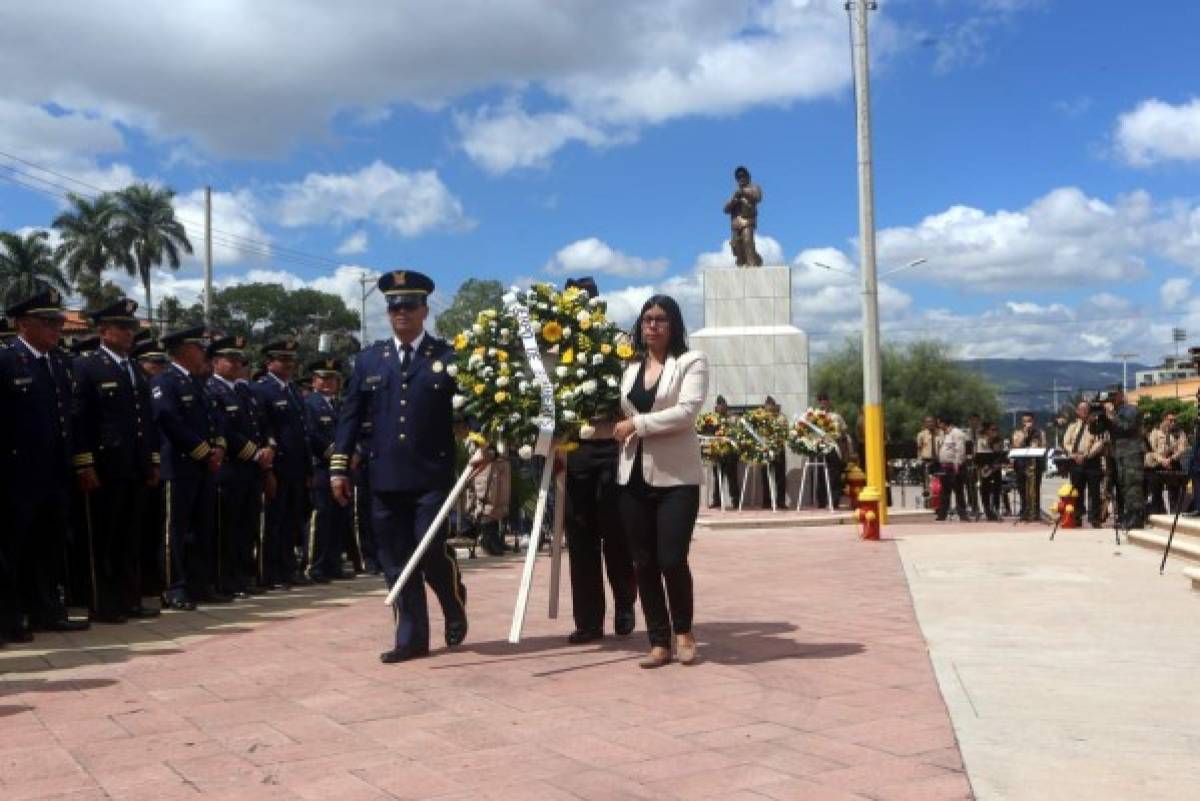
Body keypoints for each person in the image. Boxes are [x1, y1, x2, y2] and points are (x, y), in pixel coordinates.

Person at [330, 270, 468, 664]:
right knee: (395, 559)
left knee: (429, 551)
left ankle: (453, 600)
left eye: (409, 306)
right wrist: (339, 468)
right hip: (384, 476)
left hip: (432, 477)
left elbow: (471, 413)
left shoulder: (447, 358)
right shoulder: (368, 360)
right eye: (394, 306)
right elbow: (349, 419)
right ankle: (411, 638)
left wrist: (485, 443)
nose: (401, 313)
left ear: (425, 310)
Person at [614, 294, 709, 668]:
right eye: (647, 319)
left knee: (672, 558)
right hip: (632, 474)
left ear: (674, 325)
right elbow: (619, 412)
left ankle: (683, 631)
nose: (652, 325)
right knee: (643, 561)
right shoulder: (629, 367)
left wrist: (636, 425)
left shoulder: (690, 361)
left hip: (676, 478)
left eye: (660, 319)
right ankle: (658, 640)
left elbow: (686, 413)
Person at [0, 288, 89, 644]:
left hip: (55, 472)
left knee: (50, 545)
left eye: (58, 322)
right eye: (48, 322)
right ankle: (12, 616)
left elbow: (70, 418)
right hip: (16, 474)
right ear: (23, 325)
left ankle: (48, 610)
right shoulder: (6, 360)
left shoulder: (61, 363)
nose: (57, 329)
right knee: (13, 549)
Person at [71, 299, 161, 623]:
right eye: (122, 328)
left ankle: (129, 599)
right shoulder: (87, 366)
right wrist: (84, 464)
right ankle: (103, 602)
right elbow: (79, 421)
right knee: (104, 537)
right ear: (103, 331)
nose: (129, 334)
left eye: (132, 328)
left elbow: (146, 421)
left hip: (134, 466)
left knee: (130, 536)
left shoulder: (134, 369)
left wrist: (151, 461)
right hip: (105, 466)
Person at [560, 276, 637, 645]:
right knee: (580, 539)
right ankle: (588, 621)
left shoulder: (618, 343)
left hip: (611, 448)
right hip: (574, 453)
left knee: (616, 536)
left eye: (584, 301)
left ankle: (625, 603)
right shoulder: (556, 344)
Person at [152, 326, 230, 610]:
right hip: (180, 466)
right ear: (184, 350)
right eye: (199, 347)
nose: (203, 353)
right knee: (175, 529)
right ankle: (174, 587)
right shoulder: (166, 381)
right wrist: (203, 451)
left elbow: (216, 419)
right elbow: (168, 419)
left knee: (203, 528)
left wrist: (219, 446)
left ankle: (200, 583)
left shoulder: (199, 383)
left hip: (205, 467)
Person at [206, 336, 274, 596]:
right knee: (228, 528)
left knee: (247, 526)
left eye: (239, 360)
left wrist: (269, 447)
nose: (236, 364)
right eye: (230, 359)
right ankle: (225, 579)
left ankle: (242, 576)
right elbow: (224, 429)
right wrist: (255, 453)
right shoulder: (212, 389)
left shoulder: (245, 391)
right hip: (231, 468)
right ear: (215, 362)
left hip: (252, 470)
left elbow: (262, 424)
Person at [252, 339, 311, 588]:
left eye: (291, 361)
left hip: (296, 468)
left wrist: (307, 469)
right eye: (282, 360)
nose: (288, 365)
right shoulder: (262, 389)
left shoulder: (293, 390)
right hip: (277, 467)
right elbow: (265, 430)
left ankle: (288, 569)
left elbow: (302, 432)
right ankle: (269, 572)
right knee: (273, 524)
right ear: (269, 362)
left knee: (291, 522)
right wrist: (268, 470)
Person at [305, 357, 352, 582]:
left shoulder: (341, 405)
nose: (328, 383)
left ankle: (333, 564)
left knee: (338, 518)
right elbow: (311, 435)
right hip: (322, 468)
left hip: (342, 469)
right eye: (323, 378)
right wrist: (337, 453)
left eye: (332, 379)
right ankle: (315, 565)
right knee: (321, 518)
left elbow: (352, 431)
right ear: (314, 380)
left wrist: (352, 452)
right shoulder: (309, 404)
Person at [1105, 386, 1144, 529]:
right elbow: (1096, 430)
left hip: (1132, 453)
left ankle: (1137, 516)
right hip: (1119, 454)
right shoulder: (1113, 412)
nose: (1111, 399)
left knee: (1133, 485)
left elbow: (1127, 427)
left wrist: (1111, 416)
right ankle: (1128, 514)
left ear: (1121, 395)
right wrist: (1097, 418)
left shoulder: (1131, 410)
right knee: (1124, 486)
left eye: (1114, 395)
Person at [1063, 401, 1107, 528]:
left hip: (1091, 460)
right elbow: (1066, 442)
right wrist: (1074, 454)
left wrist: (1086, 455)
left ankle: (1095, 518)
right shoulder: (1073, 426)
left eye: (1086, 409)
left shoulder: (1096, 426)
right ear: (1077, 411)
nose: (1084, 411)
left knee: (1094, 491)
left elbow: (1099, 443)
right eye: (1081, 409)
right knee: (1077, 491)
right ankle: (1077, 516)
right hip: (1076, 461)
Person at [1145, 411, 1188, 515]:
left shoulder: (1175, 434)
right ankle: (1158, 512)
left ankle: (1175, 512)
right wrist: (1162, 460)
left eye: (1174, 420)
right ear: (1164, 420)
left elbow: (1180, 451)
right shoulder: (1155, 433)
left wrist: (1173, 457)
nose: (1173, 423)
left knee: (1176, 488)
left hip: (1171, 464)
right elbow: (1151, 451)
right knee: (1156, 492)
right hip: (1157, 466)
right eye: (1170, 420)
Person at [723, 165, 763, 267]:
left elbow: (758, 197)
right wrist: (734, 201)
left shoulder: (754, 187)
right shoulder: (736, 193)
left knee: (747, 241)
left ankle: (752, 263)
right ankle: (746, 261)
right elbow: (726, 209)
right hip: (736, 224)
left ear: (747, 177)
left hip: (748, 221)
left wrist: (744, 192)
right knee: (736, 245)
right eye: (739, 177)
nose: (741, 179)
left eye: (743, 176)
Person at [815, 392, 849, 509]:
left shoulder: (836, 416)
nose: (823, 403)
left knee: (834, 475)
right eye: (821, 401)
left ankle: (834, 501)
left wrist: (845, 450)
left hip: (834, 448)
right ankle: (821, 501)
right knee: (821, 475)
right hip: (821, 447)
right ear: (818, 403)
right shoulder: (814, 416)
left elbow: (844, 432)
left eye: (825, 400)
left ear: (829, 402)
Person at [1011, 412, 1046, 522]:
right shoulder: (1018, 433)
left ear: (1033, 421)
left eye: (1029, 421)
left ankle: (1035, 511)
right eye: (1025, 421)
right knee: (1022, 488)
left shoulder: (1040, 432)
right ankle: (1024, 510)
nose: (1027, 423)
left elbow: (1043, 445)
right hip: (1021, 464)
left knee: (1035, 488)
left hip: (1035, 464)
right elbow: (1016, 445)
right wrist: (1025, 435)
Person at [935, 418, 970, 521]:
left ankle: (963, 514)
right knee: (945, 492)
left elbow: (960, 449)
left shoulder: (957, 433)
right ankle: (942, 515)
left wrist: (957, 463)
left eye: (939, 424)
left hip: (954, 466)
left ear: (944, 423)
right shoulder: (943, 434)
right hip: (944, 466)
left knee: (958, 491)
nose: (938, 426)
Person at [708, 395, 739, 508]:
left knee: (733, 478)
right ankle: (717, 501)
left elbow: (736, 433)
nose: (722, 408)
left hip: (730, 453)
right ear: (716, 408)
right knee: (717, 478)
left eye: (724, 406)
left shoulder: (732, 418)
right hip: (718, 452)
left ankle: (736, 500)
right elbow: (709, 433)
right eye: (720, 406)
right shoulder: (711, 419)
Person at [759, 396, 787, 509]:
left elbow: (785, 432)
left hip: (778, 450)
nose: (770, 409)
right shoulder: (761, 418)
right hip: (765, 450)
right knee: (765, 477)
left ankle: (780, 502)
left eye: (771, 406)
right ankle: (767, 502)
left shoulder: (781, 418)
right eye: (767, 407)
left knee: (780, 477)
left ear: (775, 406)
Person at [977, 421, 1004, 521]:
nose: (994, 432)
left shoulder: (999, 440)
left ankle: (996, 510)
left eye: (996, 430)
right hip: (985, 468)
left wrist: (994, 441)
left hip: (996, 468)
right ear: (987, 430)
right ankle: (987, 510)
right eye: (992, 430)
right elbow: (980, 454)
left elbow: (999, 453)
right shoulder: (981, 440)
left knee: (997, 489)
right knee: (985, 490)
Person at [915, 416, 942, 506]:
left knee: (938, 483)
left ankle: (938, 503)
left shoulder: (941, 433)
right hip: (926, 460)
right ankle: (927, 503)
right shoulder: (921, 434)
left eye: (931, 422)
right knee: (926, 483)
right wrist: (919, 460)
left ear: (935, 422)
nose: (930, 424)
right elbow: (919, 448)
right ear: (924, 424)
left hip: (938, 461)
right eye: (927, 422)